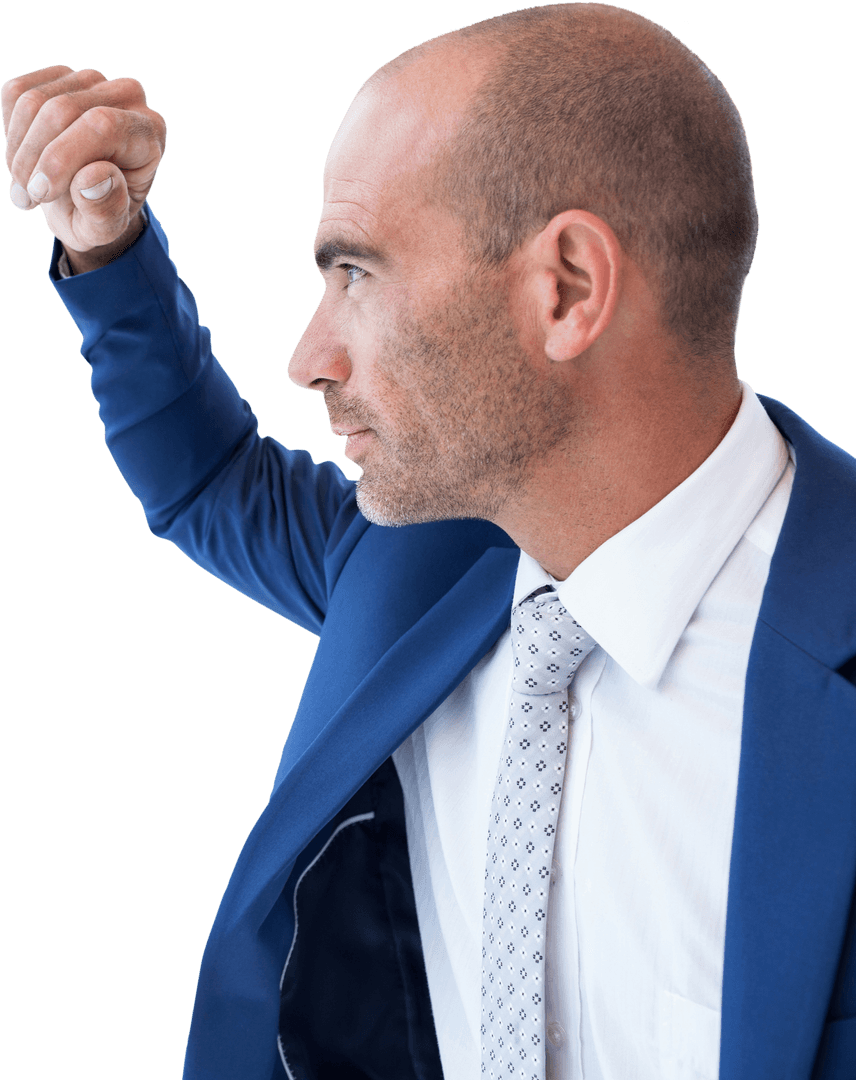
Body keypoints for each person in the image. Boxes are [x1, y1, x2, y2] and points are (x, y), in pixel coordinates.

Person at [4, 3, 855, 1078]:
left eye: (356, 273)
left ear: (567, 288)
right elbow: (211, 481)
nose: (309, 358)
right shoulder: (423, 565)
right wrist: (108, 245)